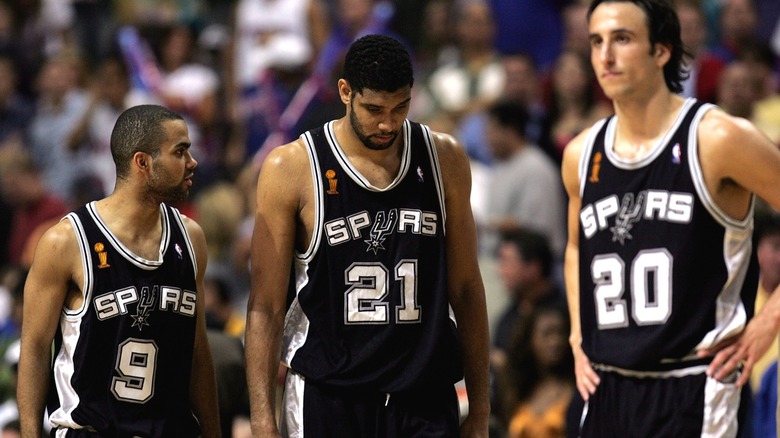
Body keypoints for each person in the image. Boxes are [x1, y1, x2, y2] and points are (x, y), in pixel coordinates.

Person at [245, 34, 490, 437]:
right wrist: (261, 419)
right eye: (374, 109)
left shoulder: (445, 159)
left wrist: (480, 410)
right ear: (346, 92)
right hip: (331, 397)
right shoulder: (292, 167)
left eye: (400, 107)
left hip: (424, 398)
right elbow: (265, 306)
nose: (387, 123)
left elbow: (466, 289)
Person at [560, 0, 780, 436]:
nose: (606, 56)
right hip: (607, 385)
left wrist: (768, 321)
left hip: (696, 384)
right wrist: (577, 335)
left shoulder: (717, 138)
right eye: (596, 42)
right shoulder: (581, 154)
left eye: (622, 39)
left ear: (661, 50)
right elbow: (574, 248)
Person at [16, 104, 221, 437]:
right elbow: (35, 348)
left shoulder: (190, 237)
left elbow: (198, 352)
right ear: (143, 162)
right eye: (180, 151)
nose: (192, 161)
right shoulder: (67, 241)